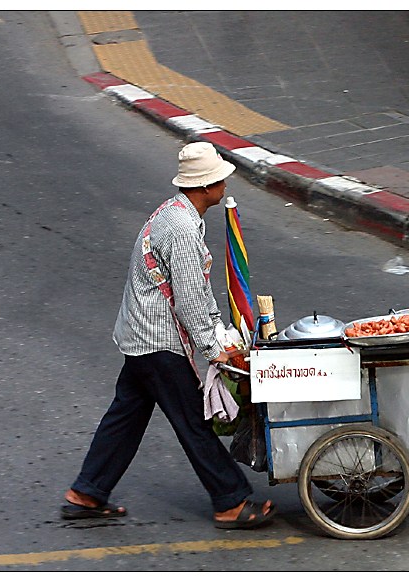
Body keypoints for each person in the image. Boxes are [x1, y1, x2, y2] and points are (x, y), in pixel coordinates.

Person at [60, 142, 276, 530]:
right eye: (220, 179)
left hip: (141, 336)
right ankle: (230, 501)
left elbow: (192, 290)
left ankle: (86, 493)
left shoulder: (175, 213)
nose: (225, 183)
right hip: (159, 342)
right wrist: (214, 349)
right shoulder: (180, 229)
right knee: (194, 421)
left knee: (125, 416)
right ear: (207, 186)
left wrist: (217, 333)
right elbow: (191, 298)